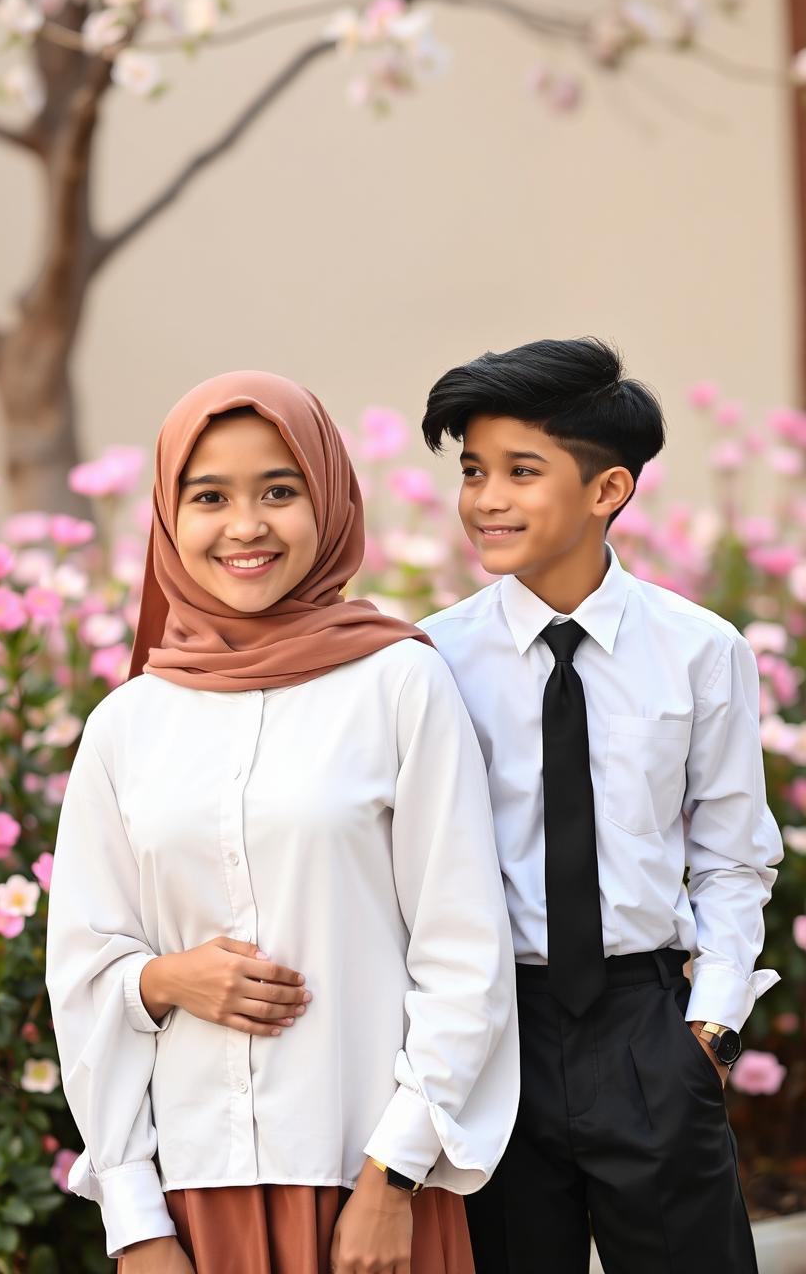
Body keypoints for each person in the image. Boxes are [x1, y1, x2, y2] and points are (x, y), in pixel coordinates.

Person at [46, 371, 519, 1274]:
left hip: (369, 1187)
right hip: (191, 1196)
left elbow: (463, 953)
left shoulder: (398, 685)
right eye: (209, 496)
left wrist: (393, 1181)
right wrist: (136, 1222)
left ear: (329, 500)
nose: (246, 525)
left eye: (279, 490)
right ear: (167, 516)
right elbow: (84, 969)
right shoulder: (128, 724)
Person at [418, 337, 783, 1274]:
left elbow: (734, 853)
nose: (485, 498)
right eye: (472, 471)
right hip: (495, 1031)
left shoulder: (700, 651)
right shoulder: (429, 660)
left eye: (519, 471)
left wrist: (709, 1030)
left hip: (647, 1029)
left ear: (608, 489)